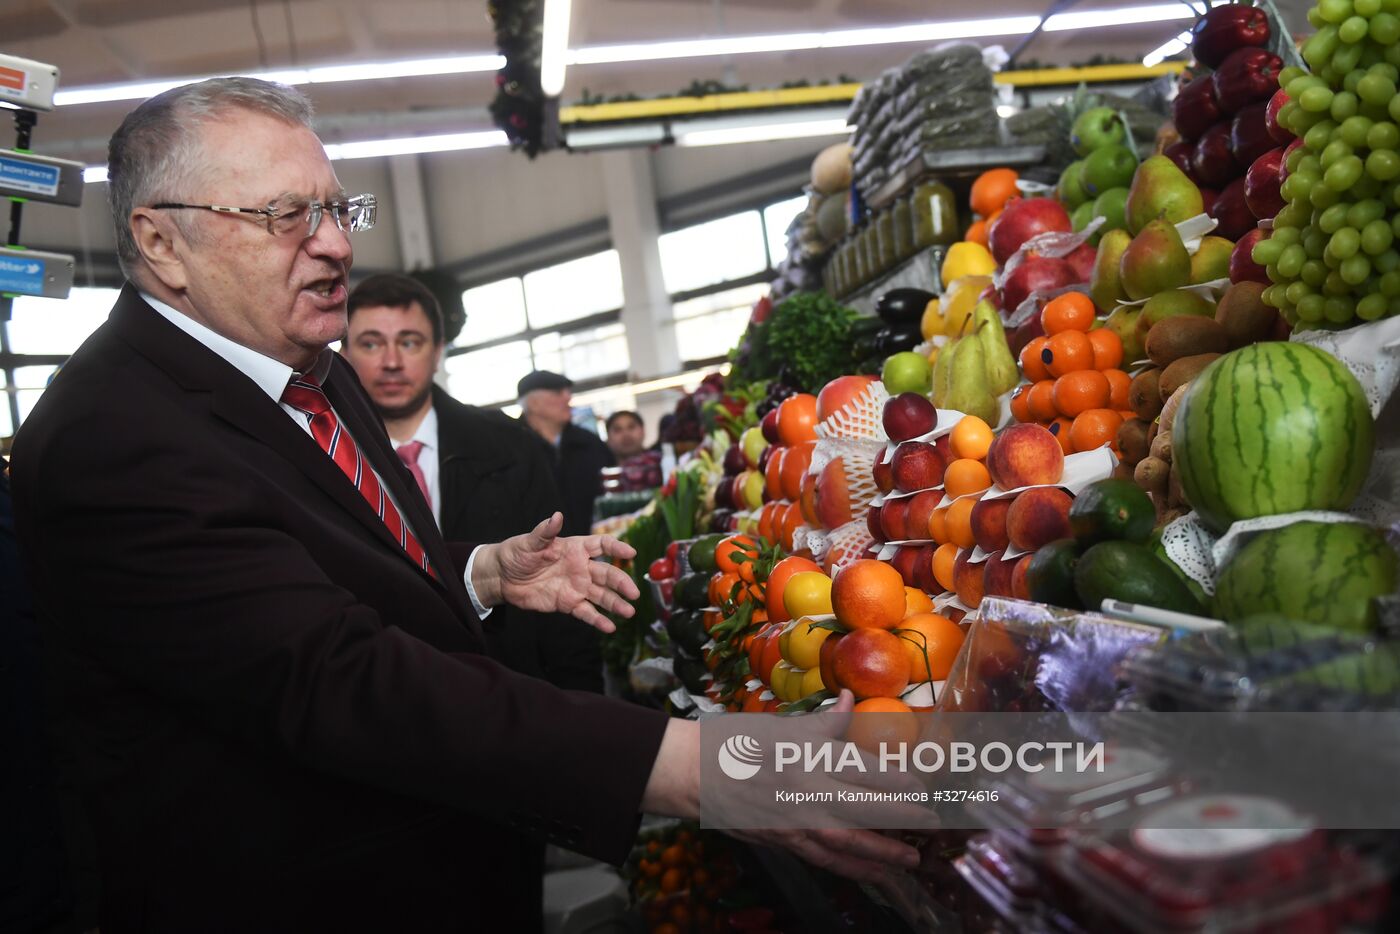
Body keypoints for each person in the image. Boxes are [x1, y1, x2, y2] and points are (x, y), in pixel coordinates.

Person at [10, 78, 915, 932]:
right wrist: (700, 767)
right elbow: (336, 678)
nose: (335, 245)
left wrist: (477, 571)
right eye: (287, 216)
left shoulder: (303, 367)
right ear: (162, 242)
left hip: (443, 862)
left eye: (336, 209)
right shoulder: (115, 438)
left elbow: (319, 561)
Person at [341, 272, 603, 694]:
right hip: (386, 699)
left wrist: (586, 708)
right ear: (344, 353)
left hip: (513, 692)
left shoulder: (509, 445)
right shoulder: (327, 458)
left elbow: (560, 580)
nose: (391, 361)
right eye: (371, 343)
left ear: (438, 351)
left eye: (410, 342)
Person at [518, 370, 615, 536]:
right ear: (534, 403)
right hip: (535, 555)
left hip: (593, 547)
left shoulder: (589, 443)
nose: (568, 398)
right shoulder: (512, 451)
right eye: (558, 392)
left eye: (568, 392)